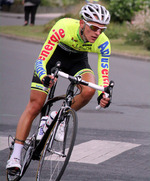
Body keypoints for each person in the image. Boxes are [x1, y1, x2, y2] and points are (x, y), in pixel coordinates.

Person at [6, 3, 111, 172]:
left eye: (102, 29)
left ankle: (56, 117)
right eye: (94, 27)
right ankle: (16, 155)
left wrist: (103, 93)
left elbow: (103, 73)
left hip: (78, 62)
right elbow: (41, 60)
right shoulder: (63, 27)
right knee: (35, 105)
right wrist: (44, 77)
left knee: (89, 89)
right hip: (53, 59)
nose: (97, 33)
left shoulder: (103, 42)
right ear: (82, 23)